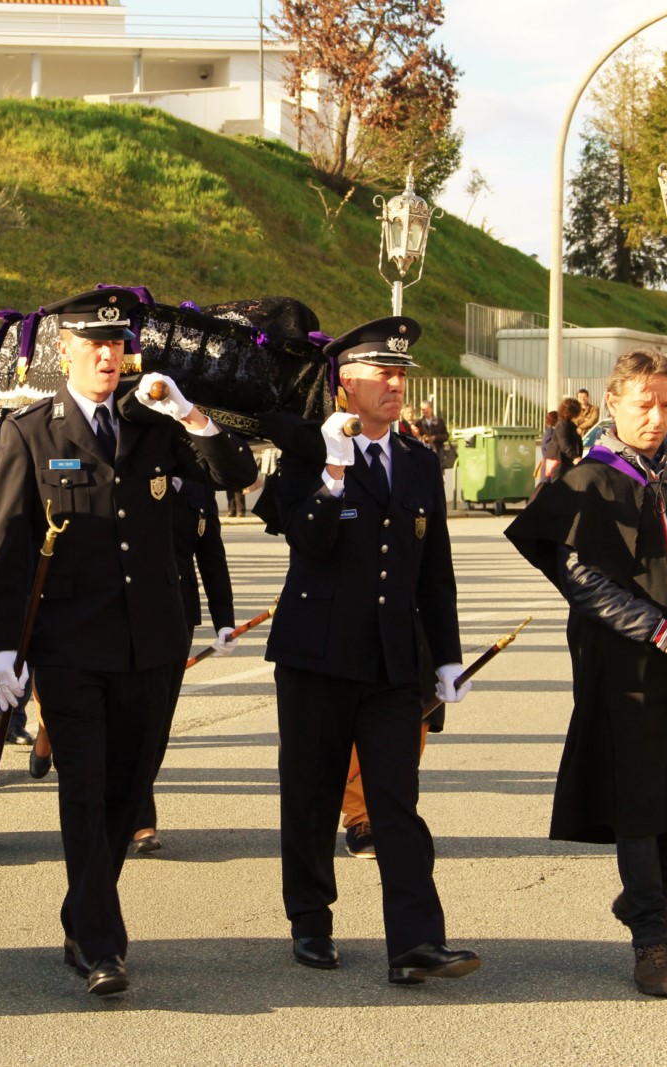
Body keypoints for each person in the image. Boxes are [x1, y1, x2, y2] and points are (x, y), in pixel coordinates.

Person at [0, 287, 256, 997]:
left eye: (116, 343)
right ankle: (102, 943)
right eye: (92, 343)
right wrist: (1, 647)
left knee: (131, 787)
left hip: (155, 642)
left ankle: (82, 911)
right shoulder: (32, 432)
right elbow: (5, 545)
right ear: (64, 350)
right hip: (70, 647)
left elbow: (238, 475)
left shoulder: (157, 423)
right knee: (85, 786)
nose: (107, 354)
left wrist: (190, 412)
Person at [505, 349, 667, 998]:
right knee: (639, 796)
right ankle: (649, 935)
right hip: (627, 659)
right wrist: (661, 630)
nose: (656, 416)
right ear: (612, 404)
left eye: (666, 404)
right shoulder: (591, 479)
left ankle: (651, 899)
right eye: (643, 403)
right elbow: (581, 580)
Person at [263, 315, 478, 985]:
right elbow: (306, 538)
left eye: (401, 373)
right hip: (316, 655)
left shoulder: (416, 460)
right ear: (343, 383)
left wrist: (447, 656)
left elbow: (432, 569)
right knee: (311, 790)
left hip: (391, 661)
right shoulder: (304, 453)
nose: (396, 383)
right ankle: (311, 920)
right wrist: (331, 473)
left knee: (396, 801)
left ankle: (415, 940)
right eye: (381, 373)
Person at [133, 473, 236, 855]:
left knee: (156, 722)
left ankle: (137, 808)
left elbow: (211, 554)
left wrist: (224, 619)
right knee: (129, 716)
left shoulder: (197, 487)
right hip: (126, 613)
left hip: (177, 616)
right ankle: (134, 812)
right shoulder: (132, 472)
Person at [543, 396, 584, 481]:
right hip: (559, 461)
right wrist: (575, 457)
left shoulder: (570, 425)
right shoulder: (562, 424)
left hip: (565, 461)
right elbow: (564, 444)